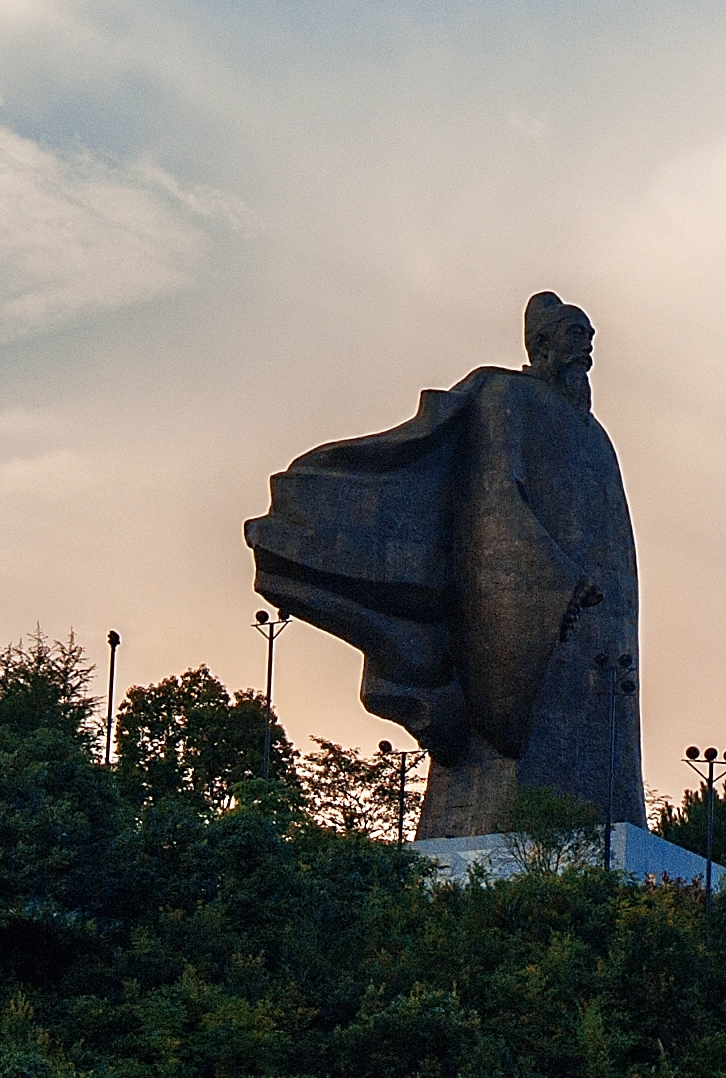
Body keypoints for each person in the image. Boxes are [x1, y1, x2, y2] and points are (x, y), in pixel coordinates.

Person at [246, 290, 643, 839]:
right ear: (542, 342)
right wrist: (552, 580)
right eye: (577, 336)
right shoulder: (506, 396)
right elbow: (495, 499)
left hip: (601, 624)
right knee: (519, 736)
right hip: (547, 606)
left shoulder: (596, 436)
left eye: (592, 339)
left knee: (602, 739)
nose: (588, 349)